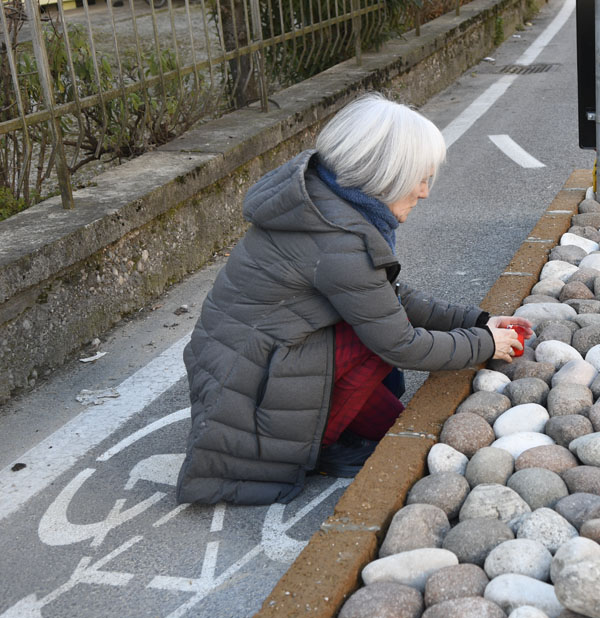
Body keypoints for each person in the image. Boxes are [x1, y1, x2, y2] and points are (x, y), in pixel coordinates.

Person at [176, 93, 531, 505]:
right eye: (419, 178)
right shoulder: (339, 241)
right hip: (249, 397)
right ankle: (327, 443)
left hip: (244, 371)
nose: (424, 192)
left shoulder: (323, 202)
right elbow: (400, 341)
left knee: (374, 343)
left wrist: (477, 319)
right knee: (376, 346)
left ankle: (341, 430)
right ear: (383, 175)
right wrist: (485, 343)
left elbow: (385, 296)